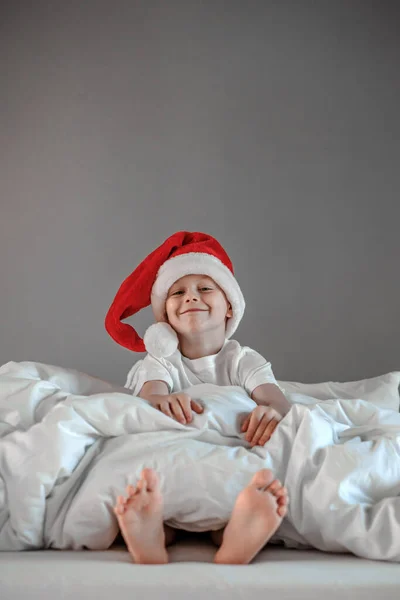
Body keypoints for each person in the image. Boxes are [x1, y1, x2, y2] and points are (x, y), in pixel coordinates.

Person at [105, 231, 291, 564]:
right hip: (174, 471)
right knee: (156, 493)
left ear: (230, 307)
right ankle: (152, 537)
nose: (191, 297)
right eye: (177, 292)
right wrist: (163, 403)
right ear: (164, 316)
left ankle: (234, 539)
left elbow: (277, 402)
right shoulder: (161, 360)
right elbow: (150, 399)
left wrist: (271, 414)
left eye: (205, 288)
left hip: (223, 469)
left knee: (236, 497)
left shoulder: (241, 359)